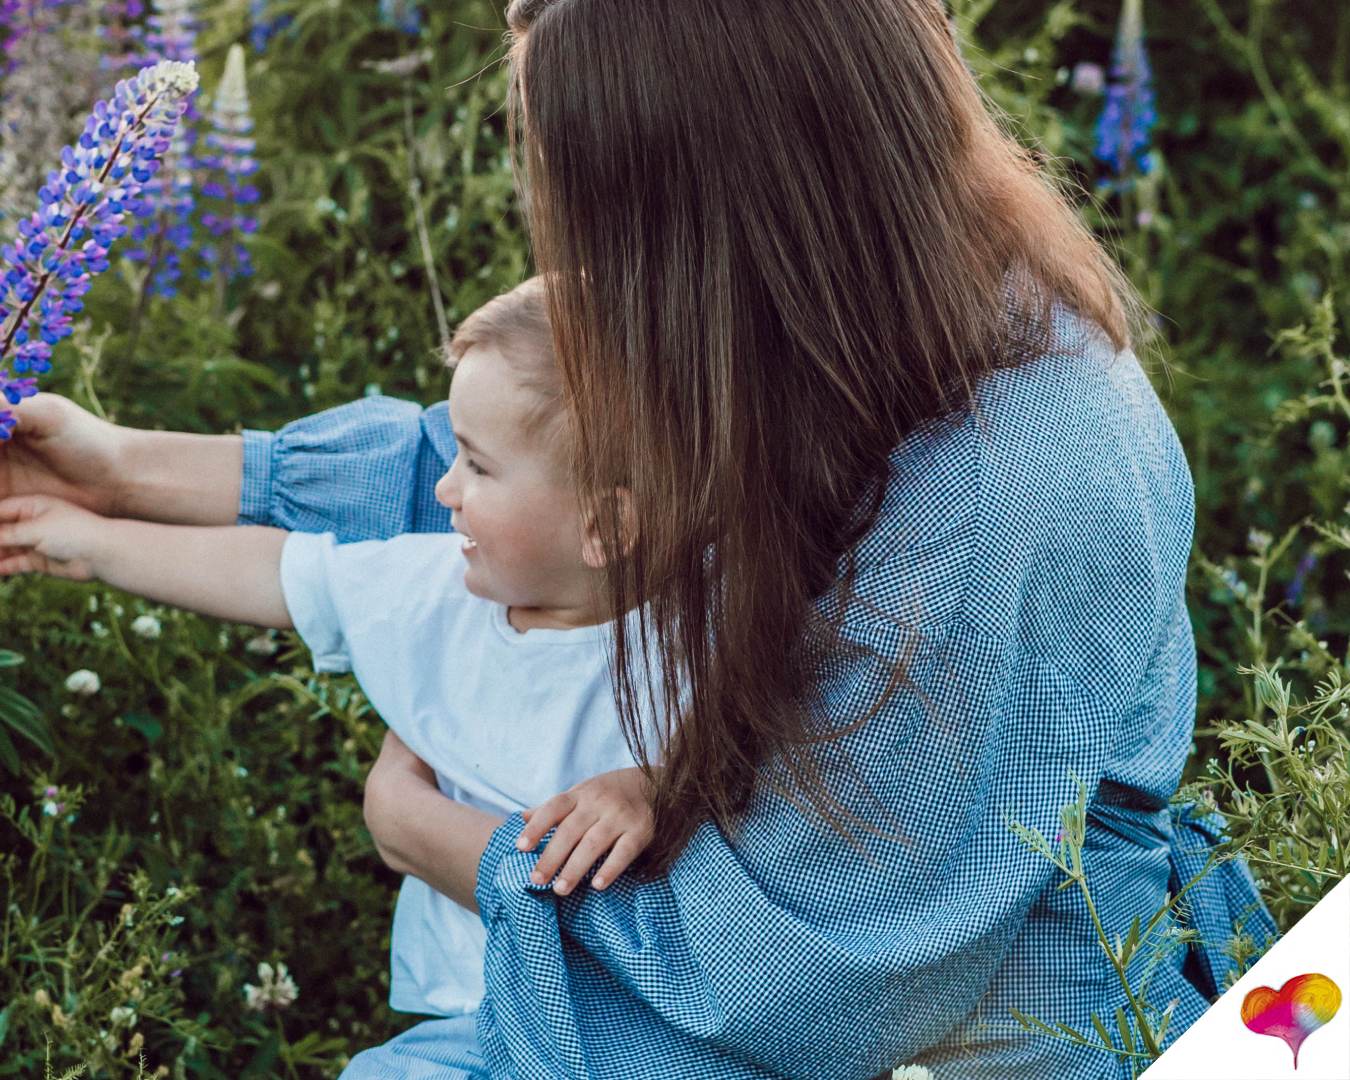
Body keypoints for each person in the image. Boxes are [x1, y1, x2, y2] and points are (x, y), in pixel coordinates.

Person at [0, 0, 1275, 1076]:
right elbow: (543, 481)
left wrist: (447, 847)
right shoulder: (866, 313)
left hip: (987, 1022)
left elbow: (813, 983)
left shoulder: (1016, 487)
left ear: (726, 212)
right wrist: (126, 472)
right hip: (760, 963)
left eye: (605, 219)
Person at [0, 278, 660, 1077]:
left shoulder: (698, 635)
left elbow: (760, 768)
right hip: (474, 1020)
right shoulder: (439, 589)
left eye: (479, 468)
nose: (444, 490)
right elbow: (276, 573)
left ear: (606, 526)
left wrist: (652, 785)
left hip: (634, 1027)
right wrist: (84, 540)